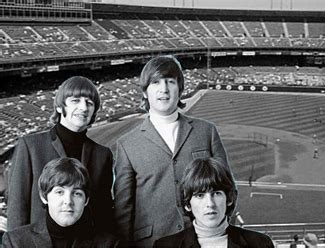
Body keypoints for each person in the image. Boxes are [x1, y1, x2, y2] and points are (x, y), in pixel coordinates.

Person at [114, 56, 231, 246]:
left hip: (203, 240)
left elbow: (227, 189)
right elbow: (123, 211)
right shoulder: (127, 144)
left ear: (181, 88)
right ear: (145, 91)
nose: (164, 89)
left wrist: (215, 233)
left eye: (170, 82)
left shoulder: (206, 131)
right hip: (151, 242)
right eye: (155, 82)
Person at [7, 76, 114, 232]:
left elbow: (103, 211)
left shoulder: (103, 154)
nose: (84, 108)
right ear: (59, 107)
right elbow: (18, 206)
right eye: (75, 101)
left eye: (89, 103)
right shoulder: (31, 146)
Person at [153, 158, 274, 248]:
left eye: (216, 193)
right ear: (187, 204)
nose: (210, 203)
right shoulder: (165, 246)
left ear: (229, 199)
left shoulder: (260, 244)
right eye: (200, 195)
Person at [2, 158, 119, 247]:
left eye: (77, 193)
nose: (68, 201)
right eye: (59, 192)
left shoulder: (108, 244)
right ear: (44, 197)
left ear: (86, 200)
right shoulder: (15, 242)